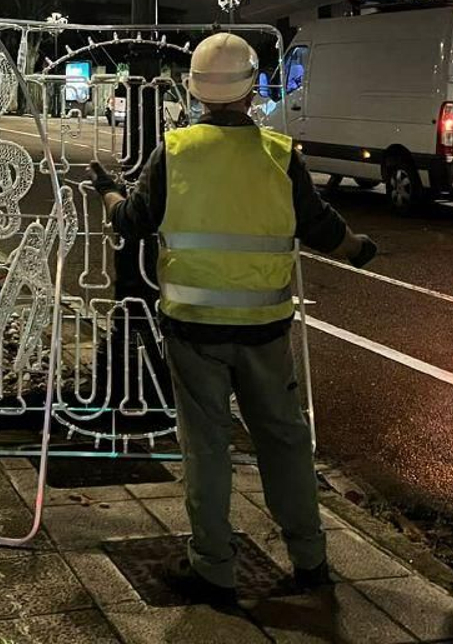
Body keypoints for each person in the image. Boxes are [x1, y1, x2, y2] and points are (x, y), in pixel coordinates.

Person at [87, 31, 376, 608]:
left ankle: (214, 567)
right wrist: (359, 248)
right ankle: (310, 558)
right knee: (284, 441)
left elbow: (137, 221)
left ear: (196, 92)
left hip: (192, 328)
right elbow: (320, 227)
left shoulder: (177, 151)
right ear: (251, 91)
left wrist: (108, 195)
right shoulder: (277, 154)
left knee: (207, 447)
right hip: (265, 329)